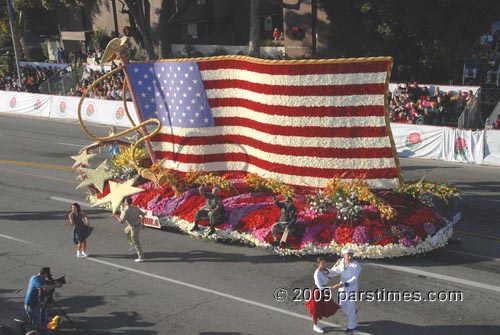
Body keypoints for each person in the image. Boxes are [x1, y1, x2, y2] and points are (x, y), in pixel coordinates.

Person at [330, 248, 361, 333]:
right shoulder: (341, 262)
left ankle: (352, 326)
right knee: (341, 305)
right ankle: (353, 313)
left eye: (351, 255)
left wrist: (343, 284)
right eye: (348, 255)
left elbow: (354, 279)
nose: (350, 257)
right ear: (344, 255)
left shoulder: (356, 265)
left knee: (350, 306)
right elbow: (332, 273)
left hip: (351, 287)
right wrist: (335, 265)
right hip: (342, 287)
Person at [305, 257, 340, 333]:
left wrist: (336, 264)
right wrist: (332, 287)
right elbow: (320, 287)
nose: (324, 265)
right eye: (322, 263)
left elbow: (331, 272)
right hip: (318, 293)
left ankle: (317, 323)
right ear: (318, 264)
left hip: (324, 292)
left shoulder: (324, 270)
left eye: (325, 263)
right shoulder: (317, 273)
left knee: (325, 307)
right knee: (315, 310)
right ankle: (315, 326)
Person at [24, 267, 61, 332]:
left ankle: (39, 331)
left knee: (39, 320)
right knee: (36, 324)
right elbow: (44, 288)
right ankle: (36, 332)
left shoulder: (40, 279)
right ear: (45, 274)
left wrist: (53, 283)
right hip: (31, 305)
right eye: (47, 275)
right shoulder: (35, 279)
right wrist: (55, 285)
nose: (47, 277)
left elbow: (46, 285)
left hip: (36, 304)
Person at [111, 197, 146, 262]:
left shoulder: (126, 211)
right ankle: (132, 244)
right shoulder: (135, 208)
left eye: (124, 201)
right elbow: (143, 215)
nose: (123, 202)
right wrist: (143, 224)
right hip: (136, 225)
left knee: (136, 242)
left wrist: (114, 216)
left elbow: (121, 221)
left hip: (134, 228)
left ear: (126, 203)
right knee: (126, 230)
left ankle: (141, 257)